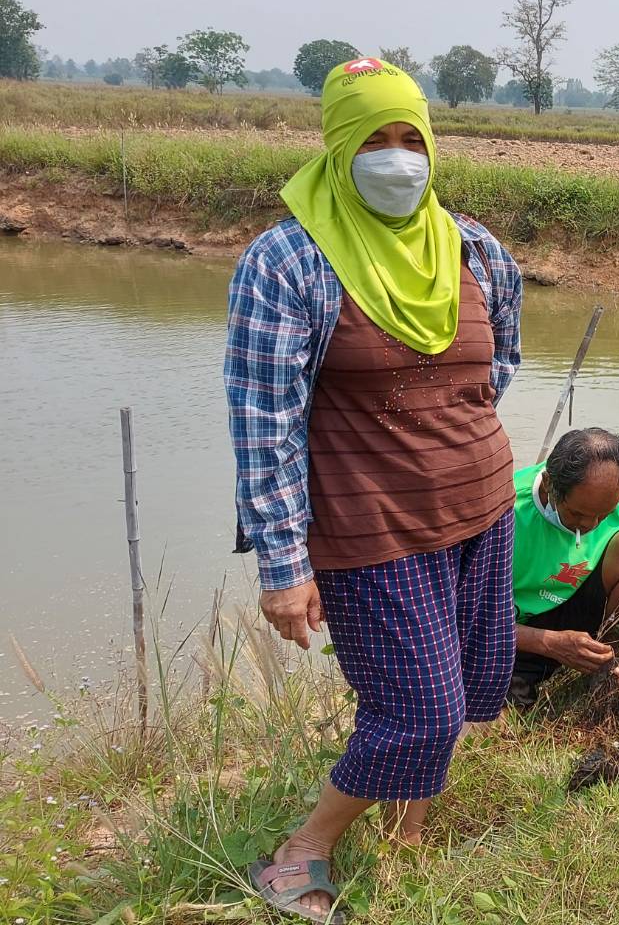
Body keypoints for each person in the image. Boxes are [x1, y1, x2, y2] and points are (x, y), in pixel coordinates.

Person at [225, 57, 523, 925]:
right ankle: (301, 850)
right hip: (367, 527)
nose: (398, 160)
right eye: (375, 141)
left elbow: (495, 367)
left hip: (479, 508)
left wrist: (437, 440)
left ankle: (409, 829)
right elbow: (262, 422)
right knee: (420, 709)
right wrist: (283, 562)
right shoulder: (288, 261)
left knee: (468, 689)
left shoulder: (474, 249)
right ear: (336, 147)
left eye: (411, 140)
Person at [507, 428, 619, 710]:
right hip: (513, 629)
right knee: (481, 722)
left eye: (604, 515)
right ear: (550, 484)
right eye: (577, 514)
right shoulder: (507, 510)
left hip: (581, 607)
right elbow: (465, 617)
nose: (590, 525)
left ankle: (605, 659)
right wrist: (548, 643)